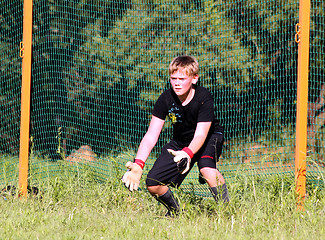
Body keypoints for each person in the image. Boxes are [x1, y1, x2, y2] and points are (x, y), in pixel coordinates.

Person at [122, 55, 229, 216]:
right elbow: (151, 135)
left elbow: (201, 134)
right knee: (153, 183)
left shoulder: (203, 97)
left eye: (182, 78)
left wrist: (188, 153)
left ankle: (228, 212)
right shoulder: (165, 99)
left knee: (206, 169)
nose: (177, 82)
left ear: (194, 78)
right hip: (181, 142)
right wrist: (138, 164)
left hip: (209, 137)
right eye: (173, 78)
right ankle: (176, 213)